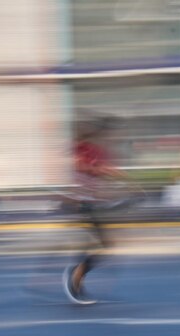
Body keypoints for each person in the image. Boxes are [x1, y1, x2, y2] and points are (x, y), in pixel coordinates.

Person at [62, 115, 125, 305]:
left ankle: (76, 276)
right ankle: (74, 279)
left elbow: (102, 175)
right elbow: (81, 166)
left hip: (92, 202)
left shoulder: (99, 150)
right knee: (102, 245)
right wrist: (103, 171)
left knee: (101, 246)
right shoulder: (83, 148)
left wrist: (113, 180)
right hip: (83, 202)